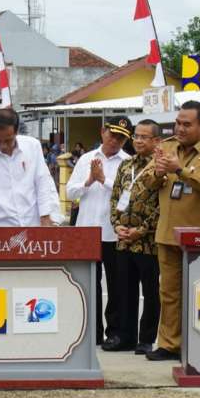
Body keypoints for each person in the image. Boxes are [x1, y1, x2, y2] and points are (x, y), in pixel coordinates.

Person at [142, 101, 200, 361]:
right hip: (169, 233)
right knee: (168, 293)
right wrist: (157, 173)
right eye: (178, 123)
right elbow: (146, 181)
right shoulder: (166, 147)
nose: (180, 128)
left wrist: (179, 170)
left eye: (187, 124)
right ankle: (169, 344)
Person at [67, 117, 133, 346]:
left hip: (113, 231)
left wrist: (103, 179)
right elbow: (70, 193)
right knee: (88, 284)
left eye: (121, 137)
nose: (115, 141)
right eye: (112, 134)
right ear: (103, 131)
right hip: (87, 230)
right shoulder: (87, 158)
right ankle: (91, 331)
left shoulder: (128, 162)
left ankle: (114, 332)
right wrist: (88, 181)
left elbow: (129, 195)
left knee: (116, 285)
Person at [107, 119, 162, 354]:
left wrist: (143, 230)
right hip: (123, 240)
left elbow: (164, 206)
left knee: (150, 293)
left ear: (156, 141)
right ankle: (125, 336)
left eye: (144, 137)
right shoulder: (125, 165)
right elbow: (115, 198)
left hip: (148, 242)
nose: (138, 140)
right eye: (136, 136)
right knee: (124, 291)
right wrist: (116, 225)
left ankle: (146, 338)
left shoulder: (161, 167)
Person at [0, 108, 59, 228]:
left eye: (8, 140)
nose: (2, 145)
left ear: (16, 131)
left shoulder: (32, 146)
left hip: (33, 225)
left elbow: (43, 183)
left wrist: (46, 217)